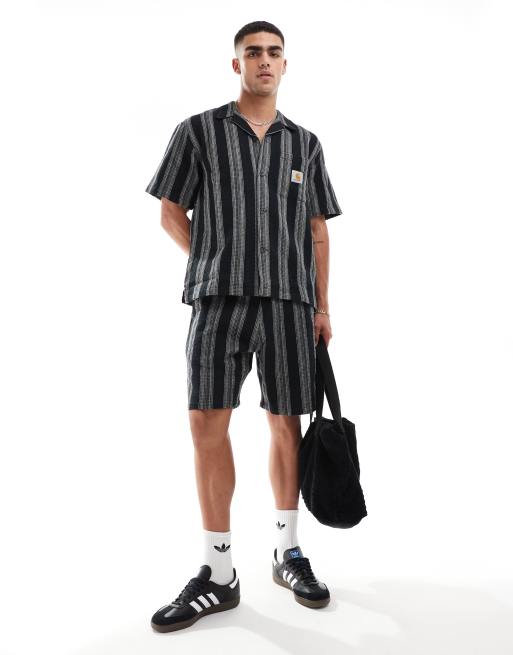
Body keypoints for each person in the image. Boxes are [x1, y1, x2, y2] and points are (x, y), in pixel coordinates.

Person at [145, 20, 343, 633]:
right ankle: (219, 571)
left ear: (285, 65)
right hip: (218, 302)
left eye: (273, 53)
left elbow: (317, 230)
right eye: (252, 52)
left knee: (287, 422)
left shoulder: (305, 144)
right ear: (237, 65)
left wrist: (323, 307)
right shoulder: (198, 131)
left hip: (289, 305)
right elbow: (170, 210)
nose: (263, 61)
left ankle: (288, 552)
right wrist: (211, 260)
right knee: (206, 423)